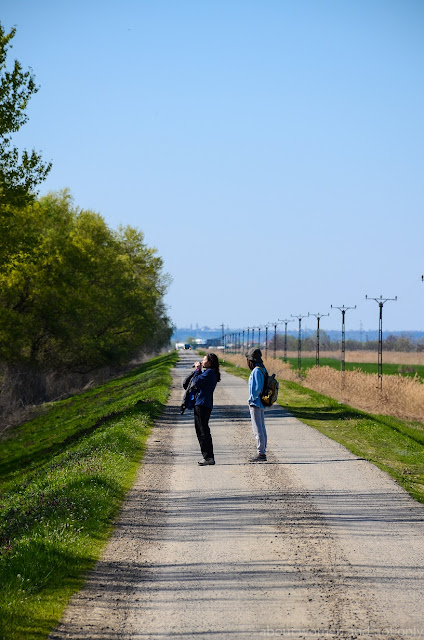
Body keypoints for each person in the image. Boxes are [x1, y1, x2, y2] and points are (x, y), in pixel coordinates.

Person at [190, 353, 221, 466]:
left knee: (202, 431)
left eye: (204, 360)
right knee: (203, 430)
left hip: (202, 404)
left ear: (210, 362)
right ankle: (208, 457)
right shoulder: (210, 373)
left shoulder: (209, 373)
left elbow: (197, 381)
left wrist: (198, 369)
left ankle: (208, 457)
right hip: (204, 404)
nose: (202, 362)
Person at [245, 347, 267, 462]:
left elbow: (257, 388)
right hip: (261, 403)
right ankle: (262, 451)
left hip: (255, 403)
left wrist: (251, 398)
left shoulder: (256, 371)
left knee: (257, 428)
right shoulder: (262, 369)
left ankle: (261, 453)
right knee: (261, 427)